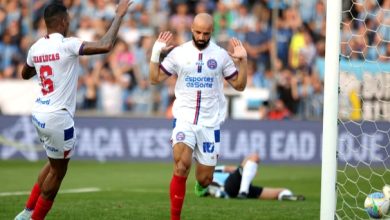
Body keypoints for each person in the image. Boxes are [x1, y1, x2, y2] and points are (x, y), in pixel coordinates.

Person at [14, 1, 134, 220]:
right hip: (58, 117)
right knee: (58, 172)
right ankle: (35, 218)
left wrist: (43, 64)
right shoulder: (67, 45)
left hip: (39, 113)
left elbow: (24, 73)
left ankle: (26, 213)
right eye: (67, 19)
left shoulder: (36, 47)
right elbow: (106, 44)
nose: (69, 22)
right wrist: (119, 16)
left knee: (52, 163)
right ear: (61, 21)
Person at [149, 13, 247, 220]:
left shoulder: (220, 55)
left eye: (206, 33)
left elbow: (239, 85)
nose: (202, 37)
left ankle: (202, 182)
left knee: (204, 179)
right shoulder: (178, 53)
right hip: (184, 118)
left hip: (210, 124)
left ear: (212, 32)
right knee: (181, 166)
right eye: (198, 32)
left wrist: (243, 61)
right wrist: (155, 53)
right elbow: (154, 78)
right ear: (192, 29)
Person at [196, 153, 305, 201]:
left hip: (235, 187)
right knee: (254, 157)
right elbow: (231, 168)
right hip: (230, 185)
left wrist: (248, 169)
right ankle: (243, 192)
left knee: (281, 191)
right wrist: (248, 167)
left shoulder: (206, 173)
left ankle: (285, 196)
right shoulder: (212, 170)